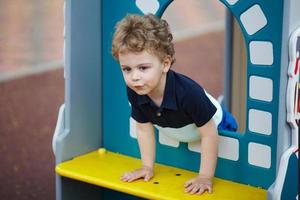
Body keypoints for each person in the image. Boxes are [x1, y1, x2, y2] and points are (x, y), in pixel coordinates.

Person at [111, 13, 237, 195]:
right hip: (182, 129)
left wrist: (205, 177)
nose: (134, 77)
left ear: (165, 64)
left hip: (218, 124)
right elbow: (143, 129)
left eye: (143, 68)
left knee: (229, 160)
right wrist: (147, 166)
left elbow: (210, 135)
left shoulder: (188, 93)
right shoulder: (135, 90)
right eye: (127, 69)